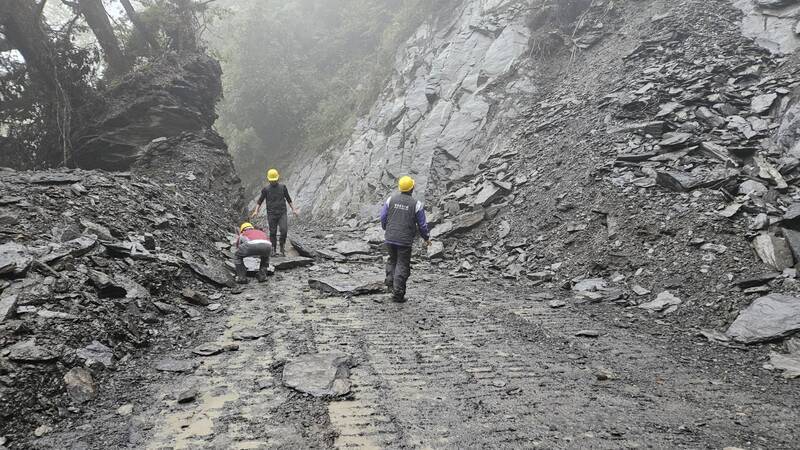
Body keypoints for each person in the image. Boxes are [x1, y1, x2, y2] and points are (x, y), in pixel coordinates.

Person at [380, 175, 431, 303]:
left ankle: (390, 284)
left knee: (392, 260)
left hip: (390, 237)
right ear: (412, 188)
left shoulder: (390, 199)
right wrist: (426, 238)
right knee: (402, 264)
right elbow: (422, 225)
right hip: (404, 240)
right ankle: (398, 294)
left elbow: (383, 217)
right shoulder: (416, 204)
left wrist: (386, 228)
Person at [251, 168, 299, 256]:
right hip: (271, 214)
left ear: (277, 179)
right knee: (272, 232)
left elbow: (288, 199)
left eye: (274, 180)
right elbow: (260, 201)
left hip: (282, 213)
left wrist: (294, 209)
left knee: (284, 230)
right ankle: (273, 249)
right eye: (271, 180)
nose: (273, 182)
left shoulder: (283, 187)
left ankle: (282, 247)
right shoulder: (266, 189)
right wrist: (256, 211)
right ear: (269, 180)